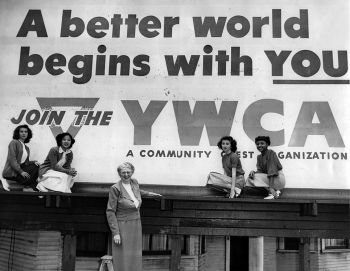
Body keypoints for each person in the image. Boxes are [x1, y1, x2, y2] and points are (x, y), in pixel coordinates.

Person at [106, 162, 161, 271]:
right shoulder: (115, 188)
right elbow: (110, 211)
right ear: (119, 174)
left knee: (134, 254)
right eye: (123, 172)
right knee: (122, 255)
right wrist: (116, 233)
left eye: (128, 172)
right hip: (122, 225)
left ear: (132, 172)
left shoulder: (134, 182)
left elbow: (136, 192)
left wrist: (151, 194)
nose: (126, 174)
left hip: (136, 223)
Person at [2, 125, 39, 190]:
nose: (24, 133)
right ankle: (32, 186)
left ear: (28, 134)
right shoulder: (14, 142)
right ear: (18, 133)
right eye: (21, 131)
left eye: (26, 132)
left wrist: (34, 162)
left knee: (36, 166)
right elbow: (12, 160)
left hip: (19, 171)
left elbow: (25, 163)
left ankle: (30, 185)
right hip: (12, 173)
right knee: (33, 179)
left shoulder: (26, 148)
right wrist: (21, 171)